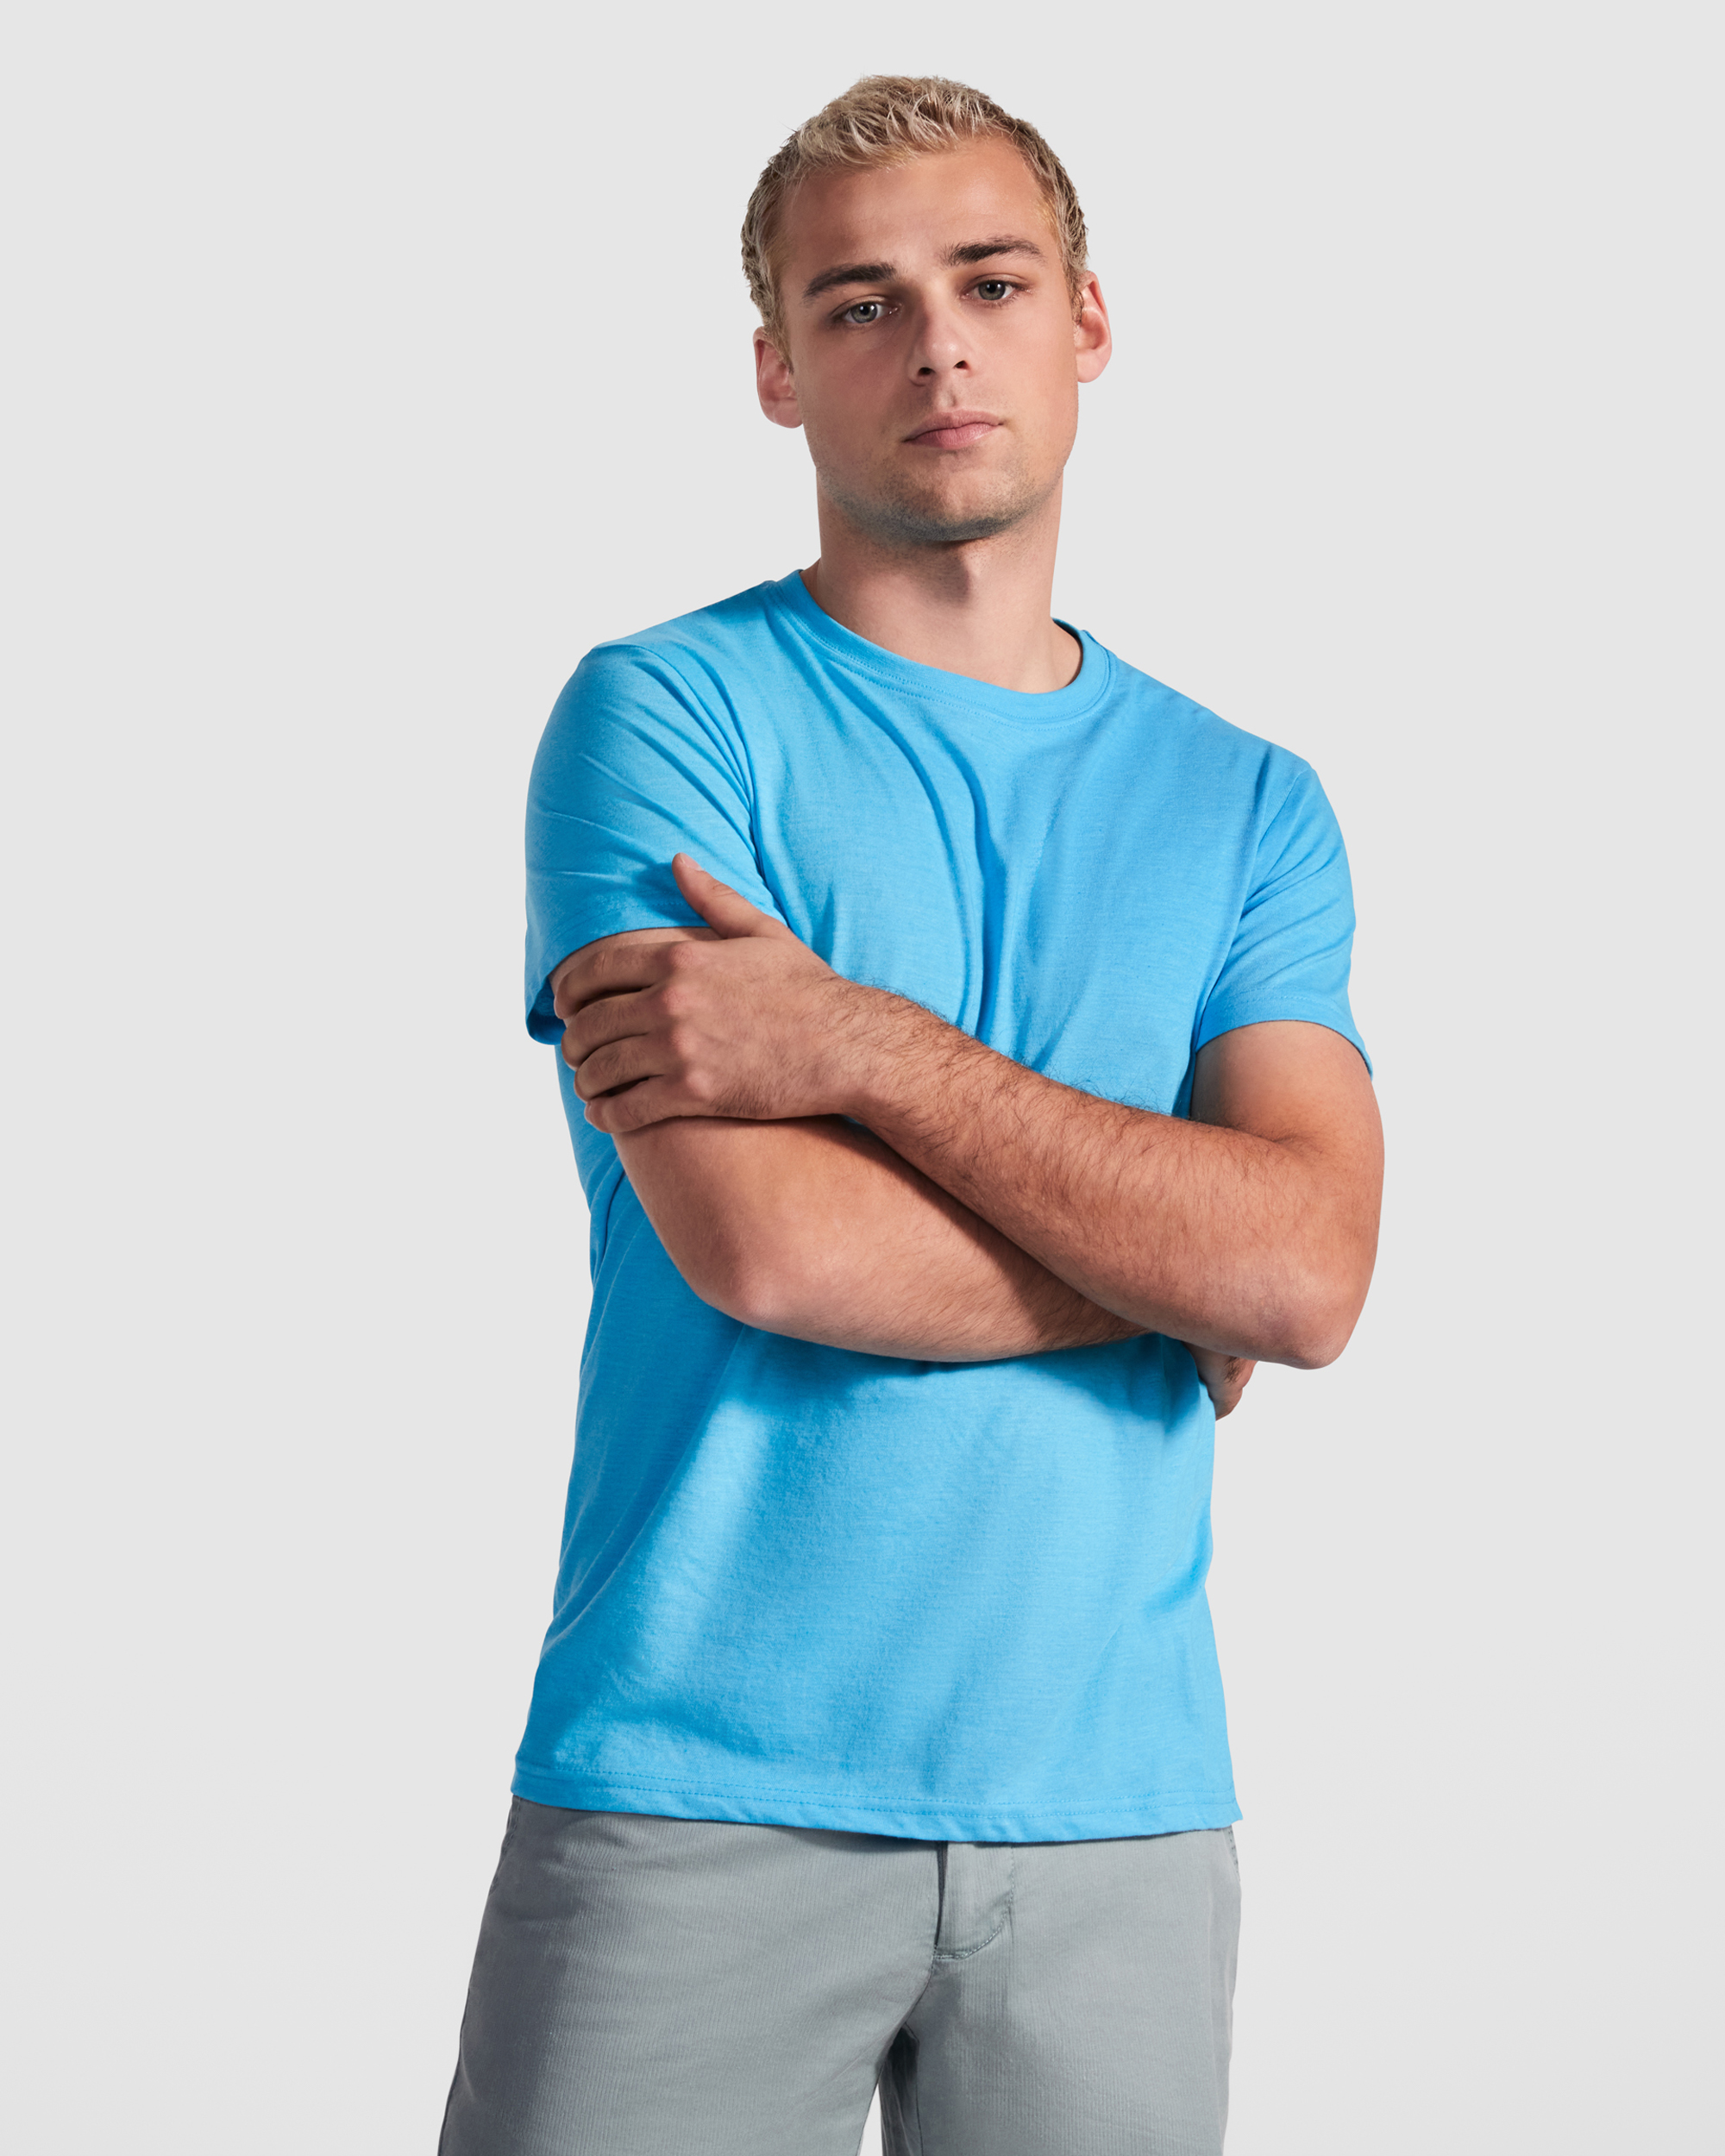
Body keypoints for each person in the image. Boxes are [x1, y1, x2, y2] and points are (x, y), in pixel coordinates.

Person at [440, 73, 1383, 2156]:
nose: (937, 343)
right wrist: (1179, 1264)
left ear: (1087, 322)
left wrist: (856, 1044)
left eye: (990, 281)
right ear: (776, 370)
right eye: (858, 303)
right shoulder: (662, 716)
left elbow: (1311, 1273)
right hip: (696, 1779)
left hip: (1118, 1804)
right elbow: (775, 1246)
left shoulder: (1244, 801)